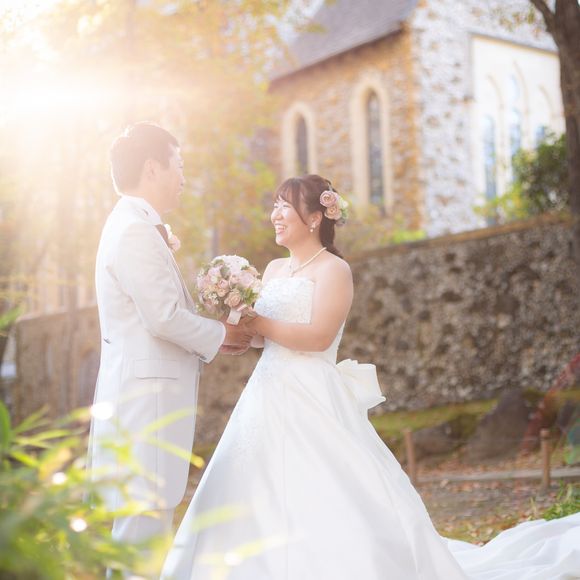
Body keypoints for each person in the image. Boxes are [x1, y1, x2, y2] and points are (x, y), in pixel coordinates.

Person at [162, 174, 580, 579]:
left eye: (285, 206)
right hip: (265, 392)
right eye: (275, 205)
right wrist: (237, 325)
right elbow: (263, 338)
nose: (275, 214)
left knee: (325, 483)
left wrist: (259, 323)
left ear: (314, 217)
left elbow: (318, 337)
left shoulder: (334, 270)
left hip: (312, 393)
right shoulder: (271, 270)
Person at [87, 123, 254, 577]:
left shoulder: (133, 224)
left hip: (142, 403)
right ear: (152, 168)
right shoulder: (133, 231)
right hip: (147, 407)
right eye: (178, 165)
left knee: (142, 534)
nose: (183, 176)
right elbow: (162, 316)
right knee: (141, 537)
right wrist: (222, 335)